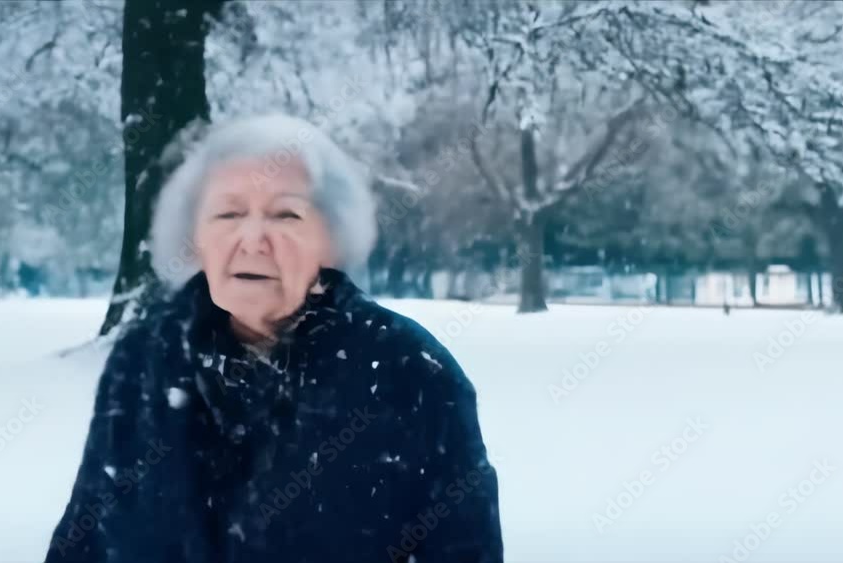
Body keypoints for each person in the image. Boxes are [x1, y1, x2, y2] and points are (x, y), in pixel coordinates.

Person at [44, 114, 503, 563]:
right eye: (227, 213)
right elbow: (86, 537)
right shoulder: (142, 360)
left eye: (286, 214)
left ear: (331, 235)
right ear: (194, 234)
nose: (252, 239)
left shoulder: (412, 373)